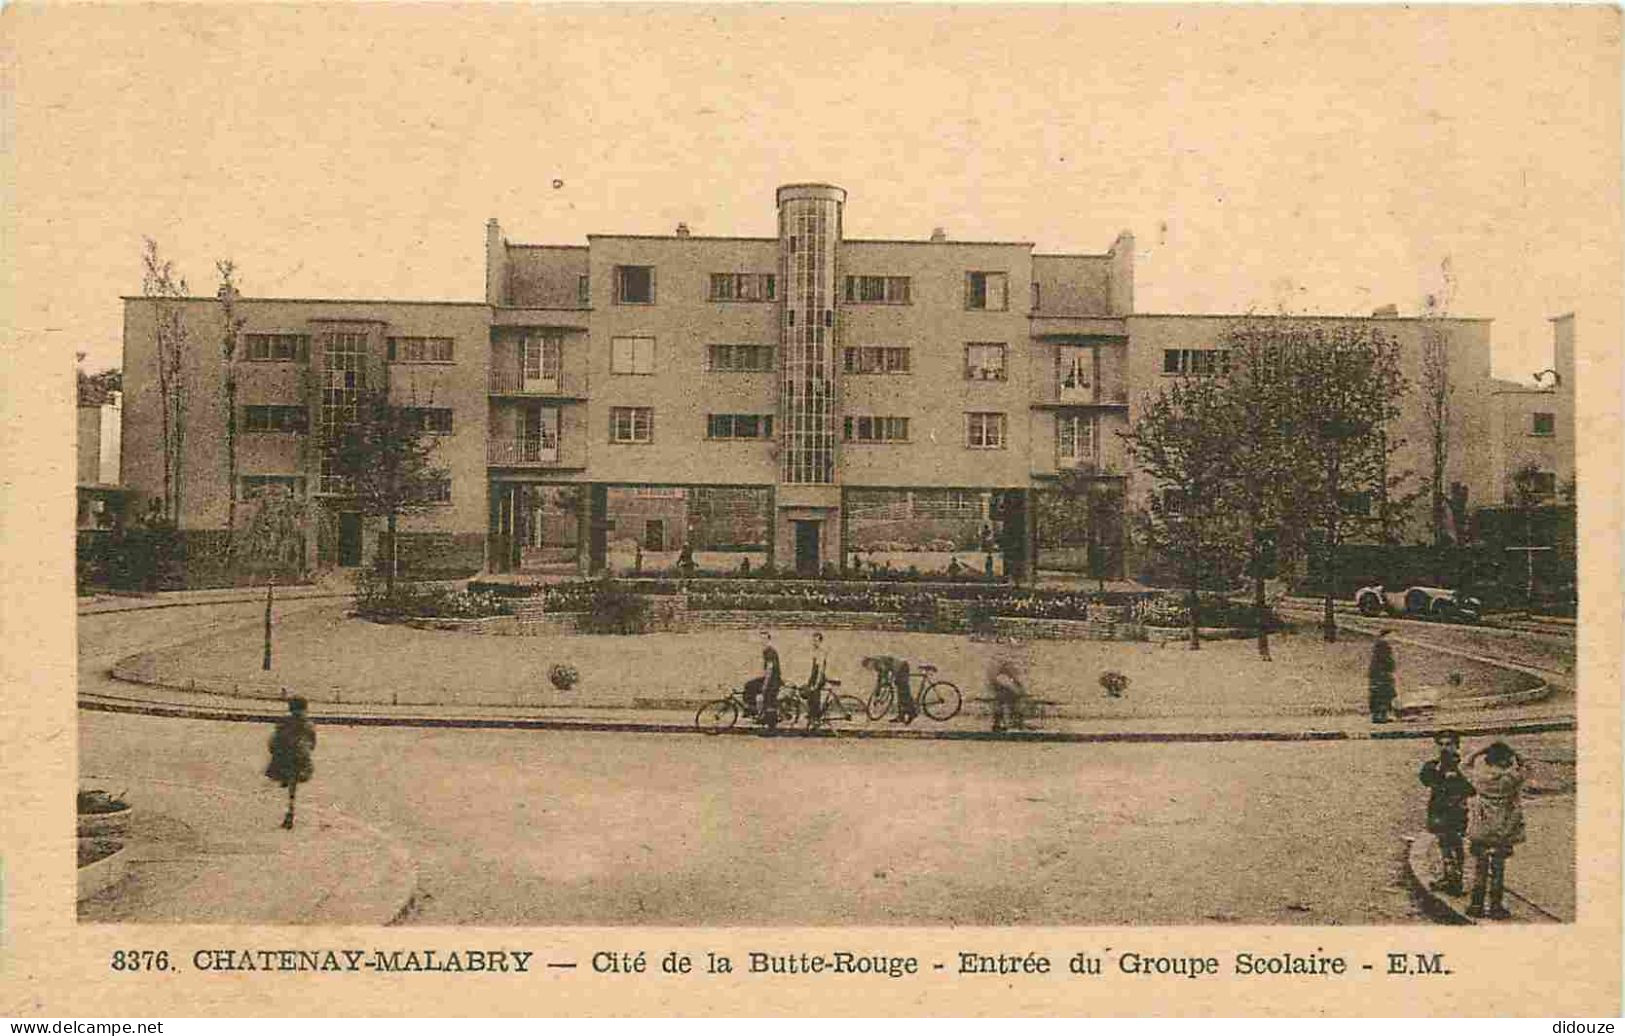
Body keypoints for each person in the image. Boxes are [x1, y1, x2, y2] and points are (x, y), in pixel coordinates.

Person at [1462, 740, 1526, 919]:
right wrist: (1516, 753)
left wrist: (1478, 751)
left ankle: (1476, 905)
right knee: (1498, 869)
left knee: (1480, 868)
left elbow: (1464, 765)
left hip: (1481, 829)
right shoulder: (1511, 780)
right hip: (1503, 830)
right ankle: (1496, 907)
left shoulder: (1480, 779)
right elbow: (1526, 766)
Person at [1418, 731, 1475, 895]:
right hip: (1438, 809)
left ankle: (1456, 880)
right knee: (1443, 843)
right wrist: (1438, 773)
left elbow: (1471, 789)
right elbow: (1425, 779)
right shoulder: (1435, 765)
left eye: (1448, 744)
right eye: (1441, 744)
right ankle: (1447, 876)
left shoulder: (1462, 766)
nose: (1444, 748)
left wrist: (1457, 777)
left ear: (1456, 746)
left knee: (1455, 843)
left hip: (1456, 810)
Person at [265, 697, 316, 830]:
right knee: (294, 783)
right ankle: (290, 808)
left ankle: (289, 807)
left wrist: (274, 750)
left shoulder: (284, 722)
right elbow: (312, 741)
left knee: (288, 779)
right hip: (300, 756)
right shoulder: (307, 723)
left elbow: (274, 739)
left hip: (285, 756)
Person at [741, 629, 782, 729]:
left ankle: (769, 721)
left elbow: (770, 669)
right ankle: (753, 709)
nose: (762, 642)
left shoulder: (769, 651)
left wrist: (765, 684)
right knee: (749, 685)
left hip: (773, 680)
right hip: (770, 678)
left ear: (769, 640)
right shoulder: (766, 651)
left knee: (768, 697)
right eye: (761, 639)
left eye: (764, 639)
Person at [987, 638, 1029, 733]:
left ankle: (1001, 723)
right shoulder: (1006, 655)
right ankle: (1008, 722)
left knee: (1004, 701)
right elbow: (1008, 670)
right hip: (1000, 680)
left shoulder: (1001, 654)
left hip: (999, 680)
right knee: (1010, 699)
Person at [860, 654, 914, 723]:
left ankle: (911, 712)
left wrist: (883, 684)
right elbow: (880, 678)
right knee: (901, 693)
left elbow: (884, 672)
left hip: (901, 667)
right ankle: (903, 715)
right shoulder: (876, 665)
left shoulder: (878, 661)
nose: (870, 669)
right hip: (897, 669)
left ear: (870, 661)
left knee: (903, 692)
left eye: (868, 666)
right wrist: (878, 690)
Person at [802, 631, 831, 728]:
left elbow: (820, 670)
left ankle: (815, 719)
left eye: (817, 641)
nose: (815, 643)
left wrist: (817, 683)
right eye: (813, 641)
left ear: (820, 641)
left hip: (818, 678)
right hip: (813, 678)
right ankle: (813, 717)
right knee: (810, 696)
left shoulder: (821, 653)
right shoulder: (816, 652)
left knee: (814, 696)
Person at [1368, 630, 1397, 723]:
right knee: (1383, 694)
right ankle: (1380, 716)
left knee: (1381, 694)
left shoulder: (1380, 644)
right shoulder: (1383, 645)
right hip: (1382, 674)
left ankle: (1380, 715)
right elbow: (1386, 660)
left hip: (1380, 673)